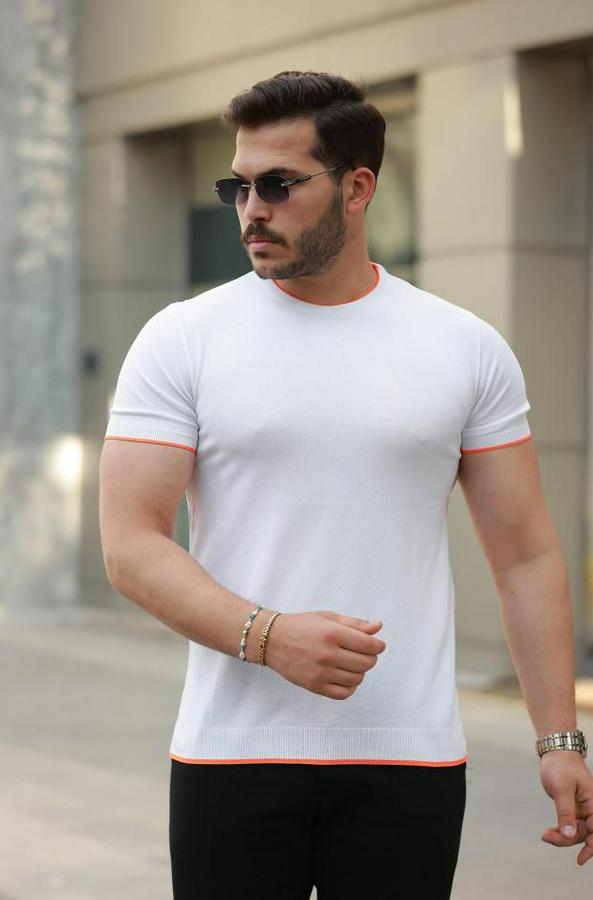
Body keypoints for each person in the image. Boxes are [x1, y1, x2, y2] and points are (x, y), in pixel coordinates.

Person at [99, 70, 593, 899]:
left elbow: (524, 555)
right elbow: (130, 545)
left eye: (278, 184)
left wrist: (559, 741)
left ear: (357, 187)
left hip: (409, 757)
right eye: (237, 186)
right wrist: (268, 636)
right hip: (232, 755)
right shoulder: (181, 339)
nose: (250, 209)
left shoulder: (463, 347)